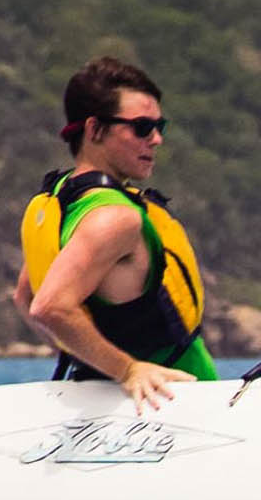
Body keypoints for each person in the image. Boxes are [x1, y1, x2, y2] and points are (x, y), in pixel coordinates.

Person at [14, 58, 215, 412]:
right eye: (141, 127)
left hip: (109, 406)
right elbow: (49, 307)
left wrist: (94, 364)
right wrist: (126, 369)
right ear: (94, 130)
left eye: (159, 126)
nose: (157, 139)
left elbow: (24, 297)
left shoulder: (64, 200)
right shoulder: (115, 219)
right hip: (171, 405)